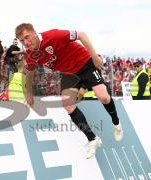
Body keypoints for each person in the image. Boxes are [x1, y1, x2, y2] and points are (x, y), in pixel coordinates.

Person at [15, 23, 123, 159]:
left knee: (104, 97)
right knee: (67, 105)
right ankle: (93, 139)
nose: (25, 42)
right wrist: (29, 93)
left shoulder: (53, 36)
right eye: (22, 41)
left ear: (34, 33)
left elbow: (82, 35)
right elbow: (29, 73)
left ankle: (116, 122)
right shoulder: (31, 55)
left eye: (27, 37)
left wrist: (94, 56)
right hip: (69, 74)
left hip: (85, 64)